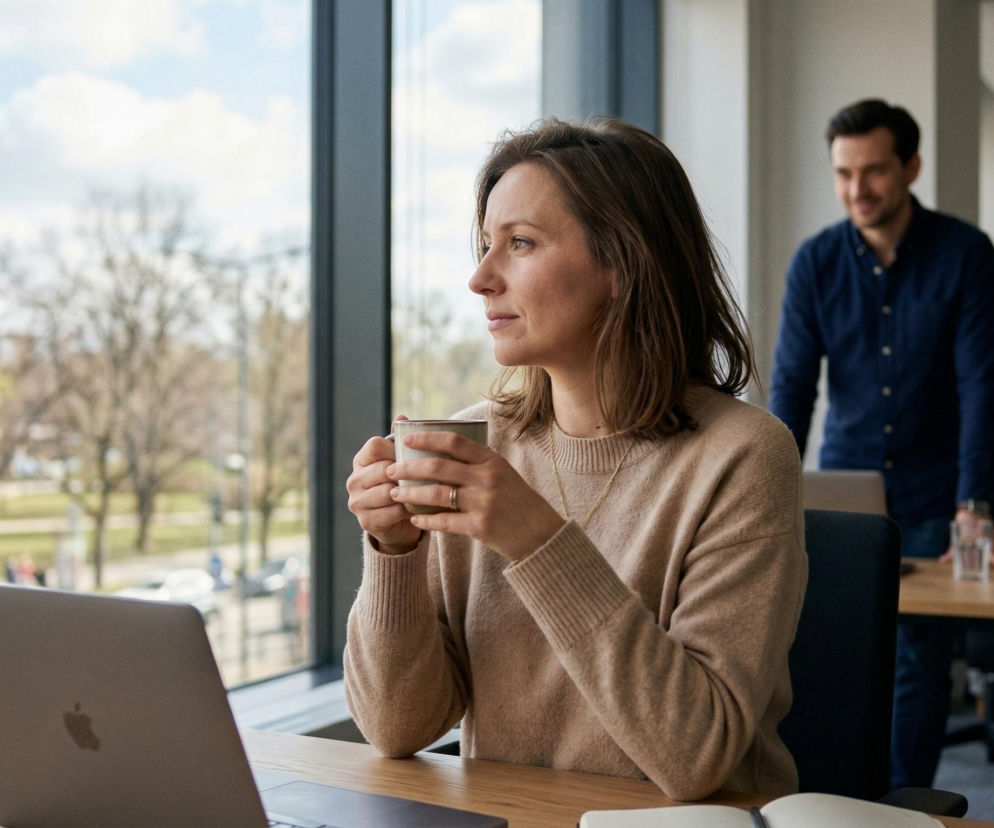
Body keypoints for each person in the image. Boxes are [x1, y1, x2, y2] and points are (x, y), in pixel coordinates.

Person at [345, 117, 807, 801]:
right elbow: (396, 726)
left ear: (623, 264)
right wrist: (392, 552)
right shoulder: (477, 444)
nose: (479, 279)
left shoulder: (743, 456)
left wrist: (533, 537)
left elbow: (696, 754)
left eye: (520, 244)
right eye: (483, 246)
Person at [769, 98, 994, 790]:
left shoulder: (966, 256)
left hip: (936, 491)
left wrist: (975, 501)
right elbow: (792, 387)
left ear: (911, 167)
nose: (856, 190)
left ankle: (901, 809)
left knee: (919, 657)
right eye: (843, 173)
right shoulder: (815, 264)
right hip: (848, 492)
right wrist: (770, 490)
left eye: (872, 171)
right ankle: (836, 800)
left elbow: (983, 383)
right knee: (836, 649)